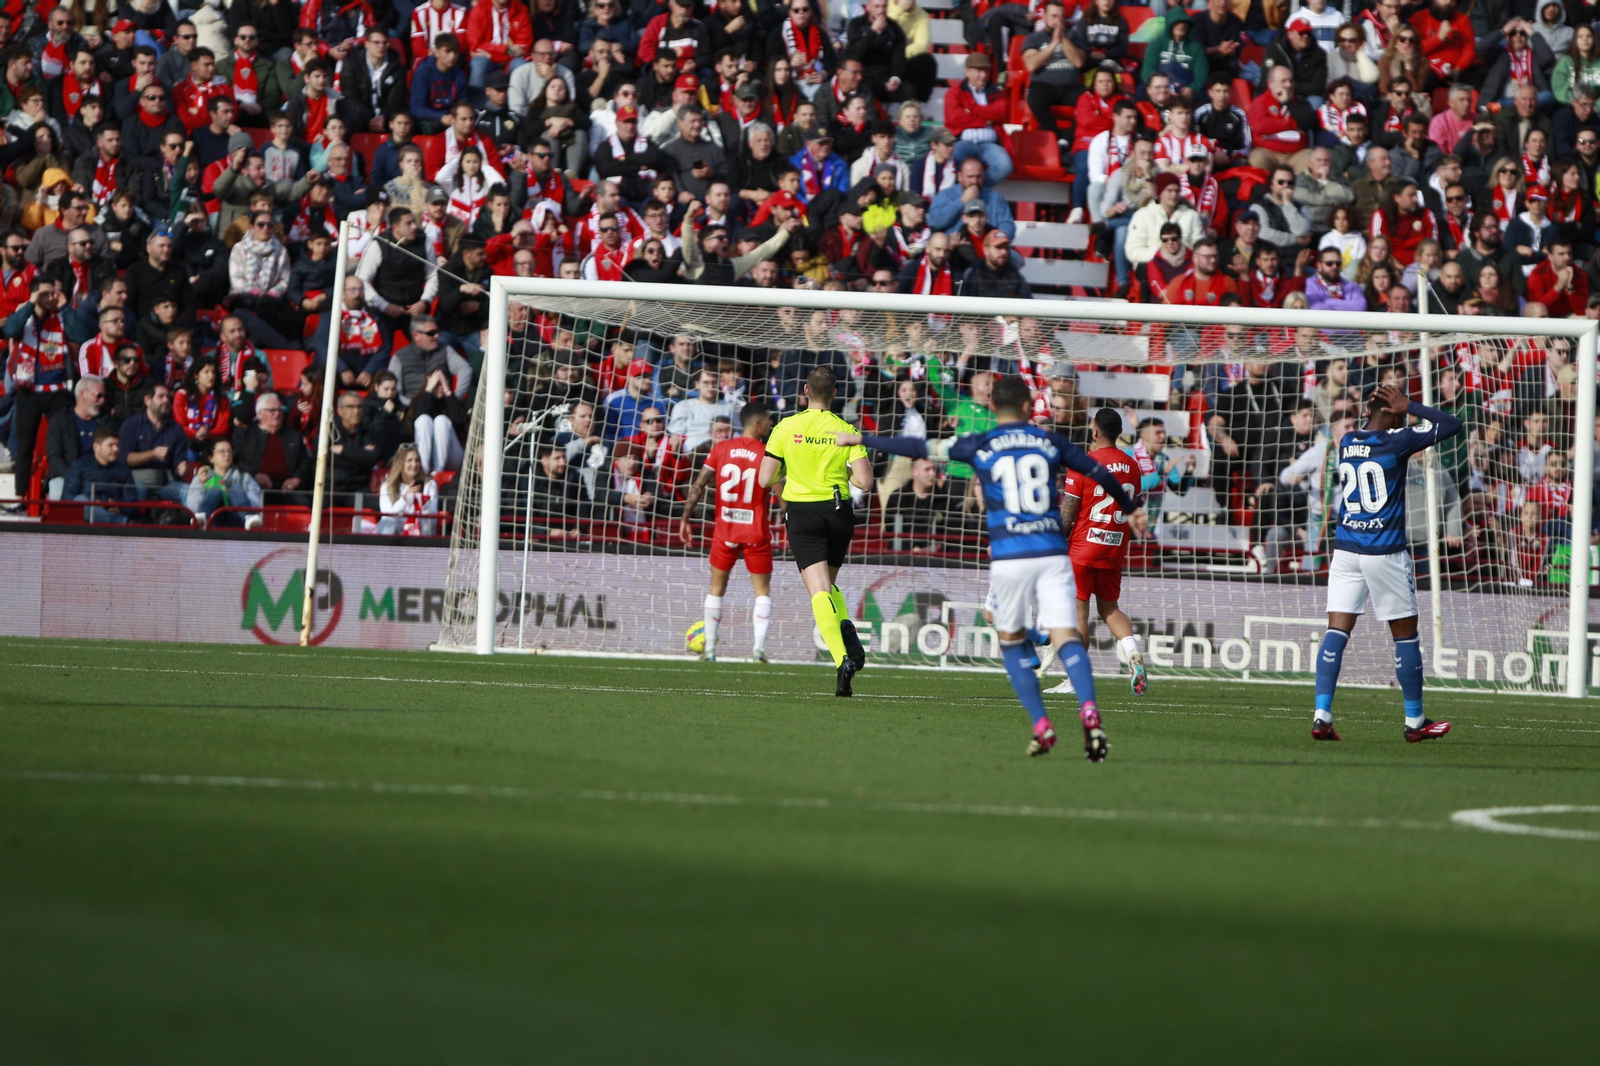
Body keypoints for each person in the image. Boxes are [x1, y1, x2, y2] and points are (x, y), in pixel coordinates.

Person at [839, 375, 1135, 758]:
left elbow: (915, 446)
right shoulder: (1049, 441)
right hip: (1052, 551)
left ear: (993, 408)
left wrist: (863, 439)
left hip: (1010, 556)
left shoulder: (981, 443)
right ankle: (1090, 711)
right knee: (1067, 636)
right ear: (1030, 408)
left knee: (1011, 643)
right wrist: (1130, 509)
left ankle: (1042, 725)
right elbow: (1098, 472)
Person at [1312, 382, 1462, 743]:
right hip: (1384, 551)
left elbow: (1373, 428)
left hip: (1347, 550)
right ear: (1394, 414)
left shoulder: (1347, 443)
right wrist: (1412, 405)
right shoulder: (1398, 441)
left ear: (1366, 412)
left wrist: (1393, 410)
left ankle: (1322, 715)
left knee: (1336, 631)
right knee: (1405, 636)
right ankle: (1415, 721)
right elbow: (1452, 425)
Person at [757, 365, 873, 696]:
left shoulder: (786, 427)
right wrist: (842, 475)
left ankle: (842, 659)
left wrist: (792, 474)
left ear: (805, 391)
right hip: (838, 511)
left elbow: (765, 479)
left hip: (804, 511)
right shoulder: (845, 429)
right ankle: (846, 624)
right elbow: (865, 481)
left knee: (818, 590)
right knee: (829, 584)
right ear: (835, 394)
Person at [1056, 406, 1148, 697]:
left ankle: (1075, 681)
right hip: (1114, 547)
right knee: (1110, 608)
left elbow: (1068, 513)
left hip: (1083, 548)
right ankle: (1131, 651)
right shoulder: (1132, 465)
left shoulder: (1083, 463)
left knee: (1078, 614)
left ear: (1095, 431)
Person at [678, 400, 777, 662]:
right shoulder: (768, 452)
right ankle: (758, 650)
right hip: (756, 531)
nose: (770, 424)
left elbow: (699, 484)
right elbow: (782, 493)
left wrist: (685, 518)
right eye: (768, 419)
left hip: (725, 530)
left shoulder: (721, 449)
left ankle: (709, 649)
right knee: (762, 592)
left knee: (716, 589)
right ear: (757, 424)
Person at [377, 442, 441, 535]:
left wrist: (420, 503)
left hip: (421, 533)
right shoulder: (387, 486)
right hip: (396, 536)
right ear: (401, 463)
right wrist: (404, 499)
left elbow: (433, 520)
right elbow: (387, 518)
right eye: (409, 460)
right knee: (387, 525)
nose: (414, 464)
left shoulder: (430, 485)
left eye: (417, 460)